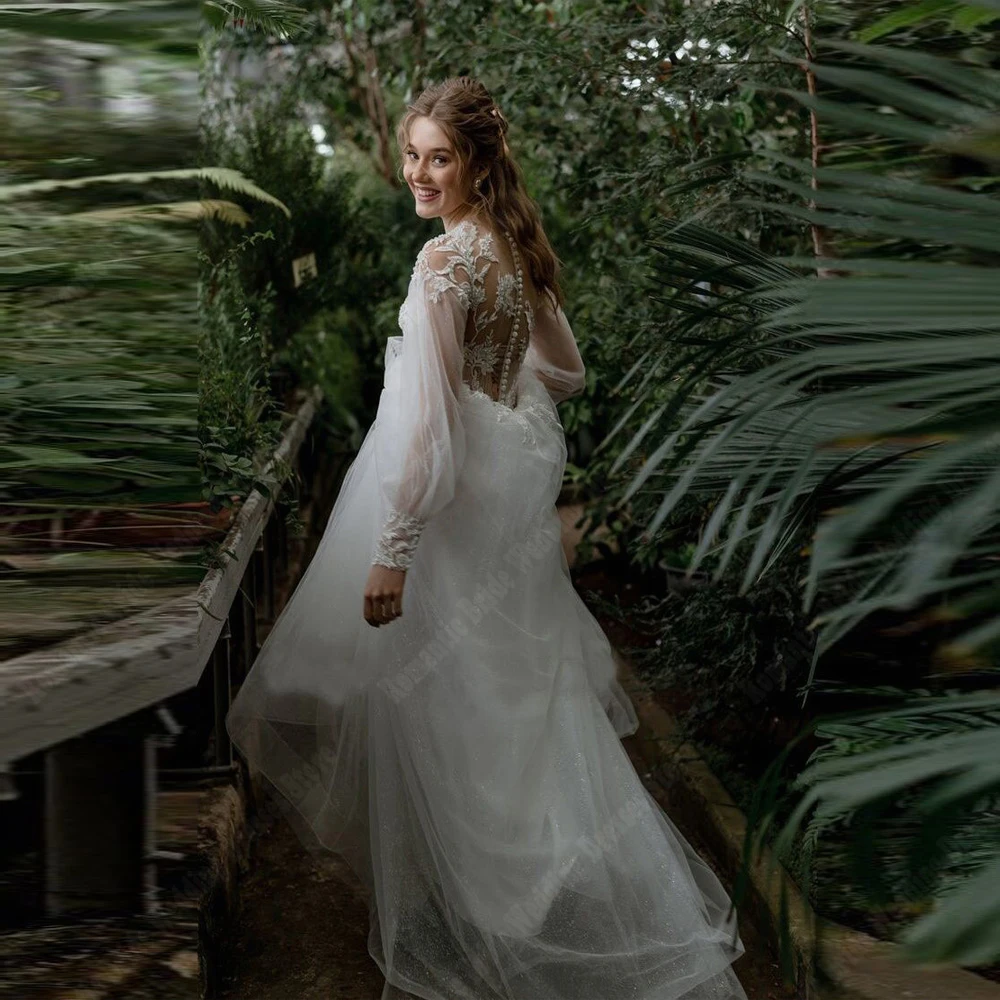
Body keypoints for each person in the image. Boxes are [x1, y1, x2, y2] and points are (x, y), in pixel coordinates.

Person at [226, 76, 749, 1000]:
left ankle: (494, 926)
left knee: (445, 706)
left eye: (440, 157)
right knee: (505, 702)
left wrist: (391, 552)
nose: (421, 173)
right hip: (500, 512)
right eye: (413, 155)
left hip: (450, 520)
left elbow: (425, 430)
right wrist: (499, 395)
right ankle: (532, 897)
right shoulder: (511, 246)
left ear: (475, 162)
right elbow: (569, 374)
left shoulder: (443, 267)